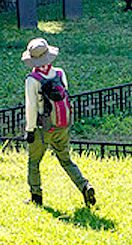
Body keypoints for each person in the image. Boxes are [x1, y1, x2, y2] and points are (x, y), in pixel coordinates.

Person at [22, 37, 95, 208]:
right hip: (62, 124)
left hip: (42, 127)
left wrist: (30, 129)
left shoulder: (32, 79)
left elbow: (31, 107)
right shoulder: (60, 73)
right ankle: (85, 186)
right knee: (66, 159)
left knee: (34, 161)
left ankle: (36, 196)